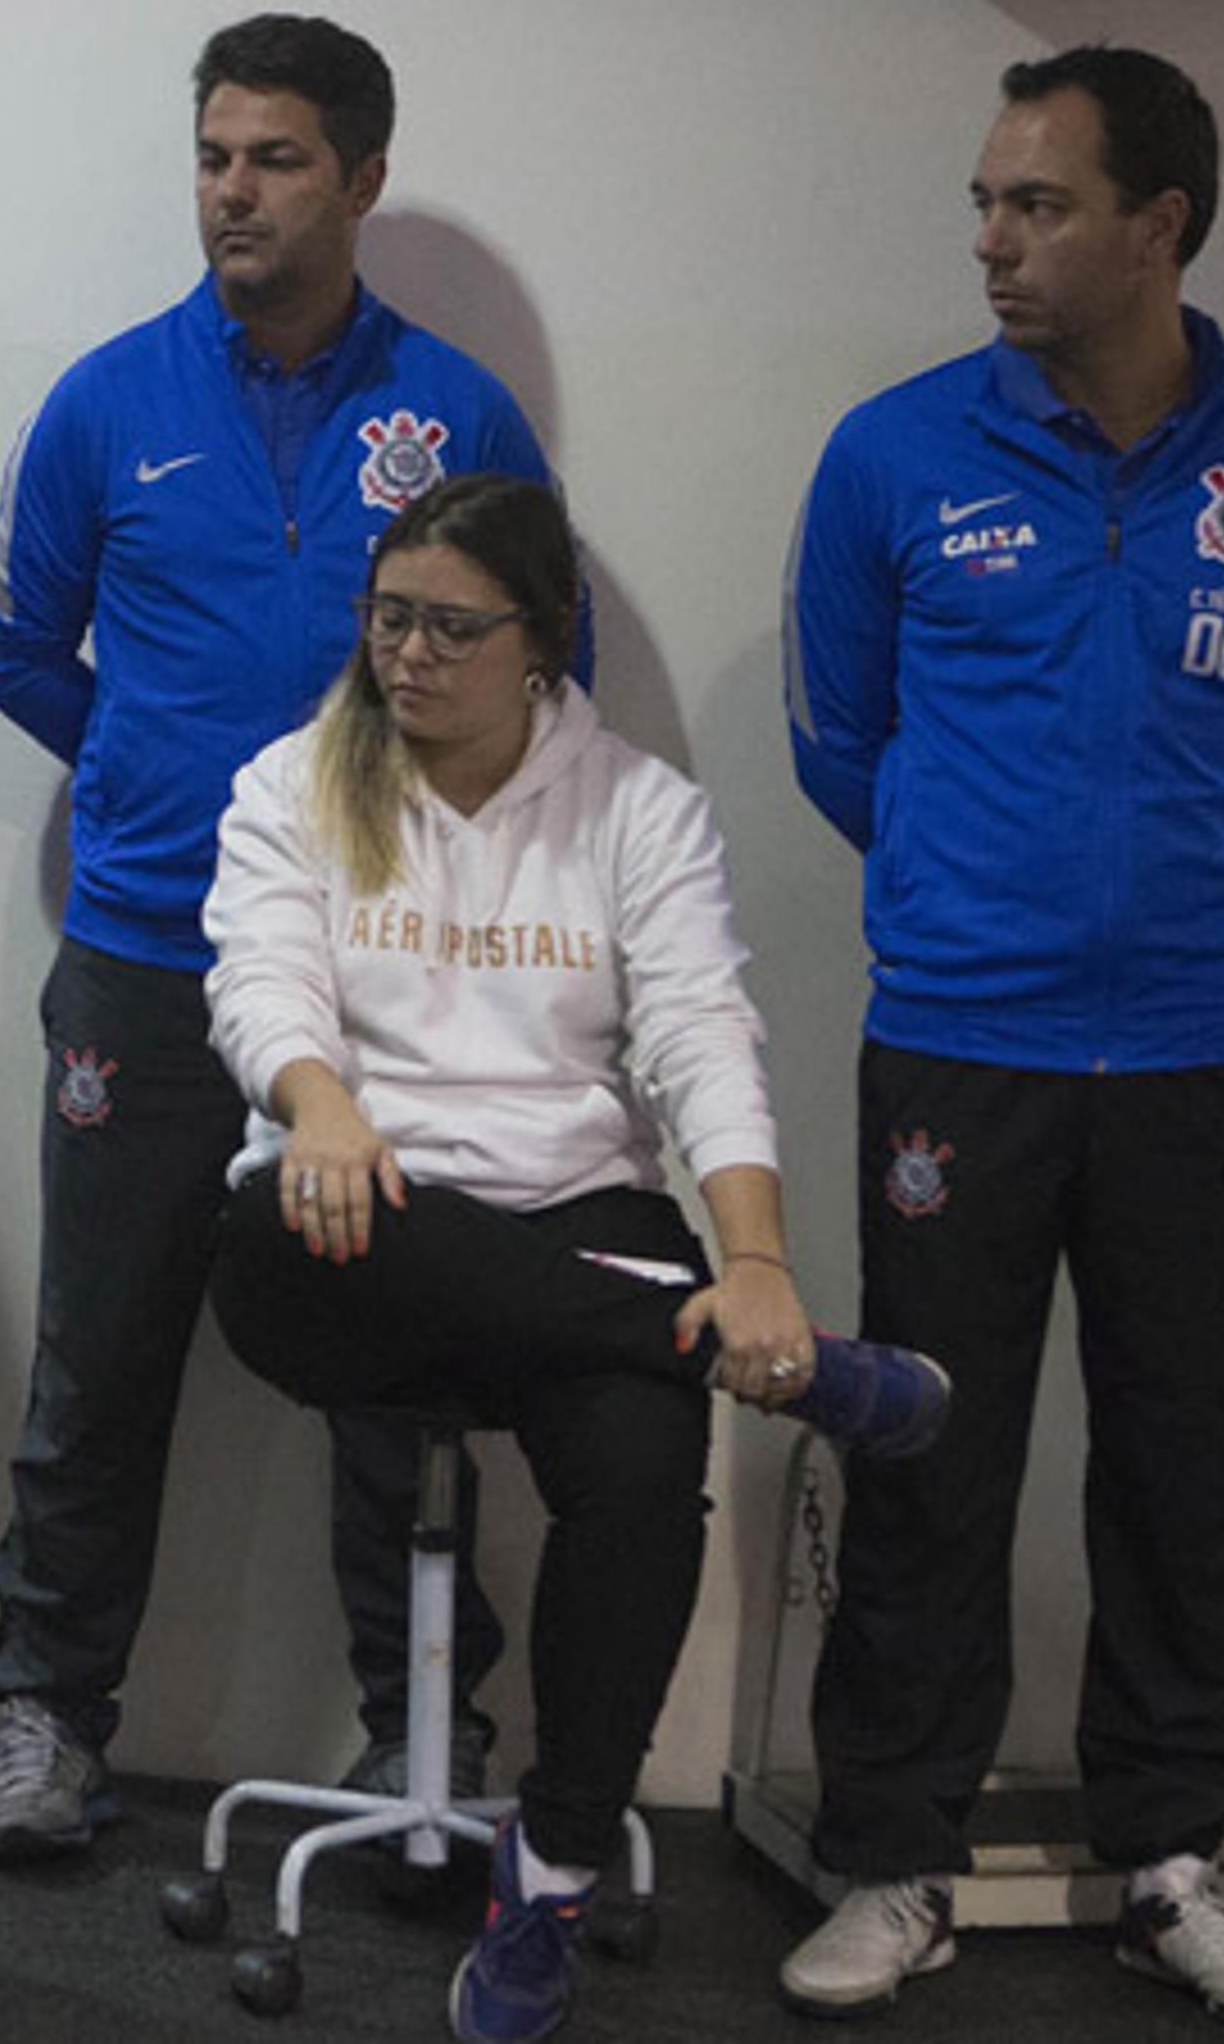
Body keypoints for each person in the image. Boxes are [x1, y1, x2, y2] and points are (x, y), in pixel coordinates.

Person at [780, 46, 1224, 2038]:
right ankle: (893, 1855)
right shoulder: (893, 454)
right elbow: (836, 739)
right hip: (963, 1038)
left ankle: (1180, 1862)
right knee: (929, 1450)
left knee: (1188, 1456)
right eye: (987, 200)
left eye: (1036, 204)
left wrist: (1191, 904)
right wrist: (990, 897)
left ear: (1162, 226)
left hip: (1207, 1044)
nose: (993, 238)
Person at [204, 471, 948, 2043]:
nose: (407, 654)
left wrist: (755, 1259)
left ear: (541, 642)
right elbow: (259, 980)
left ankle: (547, 1867)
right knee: (284, 1224)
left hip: (580, 1233)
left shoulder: (641, 810)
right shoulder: (293, 780)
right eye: (388, 616)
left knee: (640, 1466)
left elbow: (701, 1040)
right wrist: (321, 1105)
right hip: (357, 1219)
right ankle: (766, 1362)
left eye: (451, 628)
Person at [0, 12, 559, 1857]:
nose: (235, 189)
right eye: (215, 154)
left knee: (401, 1367)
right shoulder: (106, 401)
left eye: (277, 158)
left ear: (362, 178)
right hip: (149, 956)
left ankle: (418, 1739)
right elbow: (18, 646)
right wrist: (188, 804)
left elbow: (549, 672)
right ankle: (49, 1722)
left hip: (391, 981)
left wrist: (361, 844)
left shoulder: (456, 413)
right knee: (101, 1352)